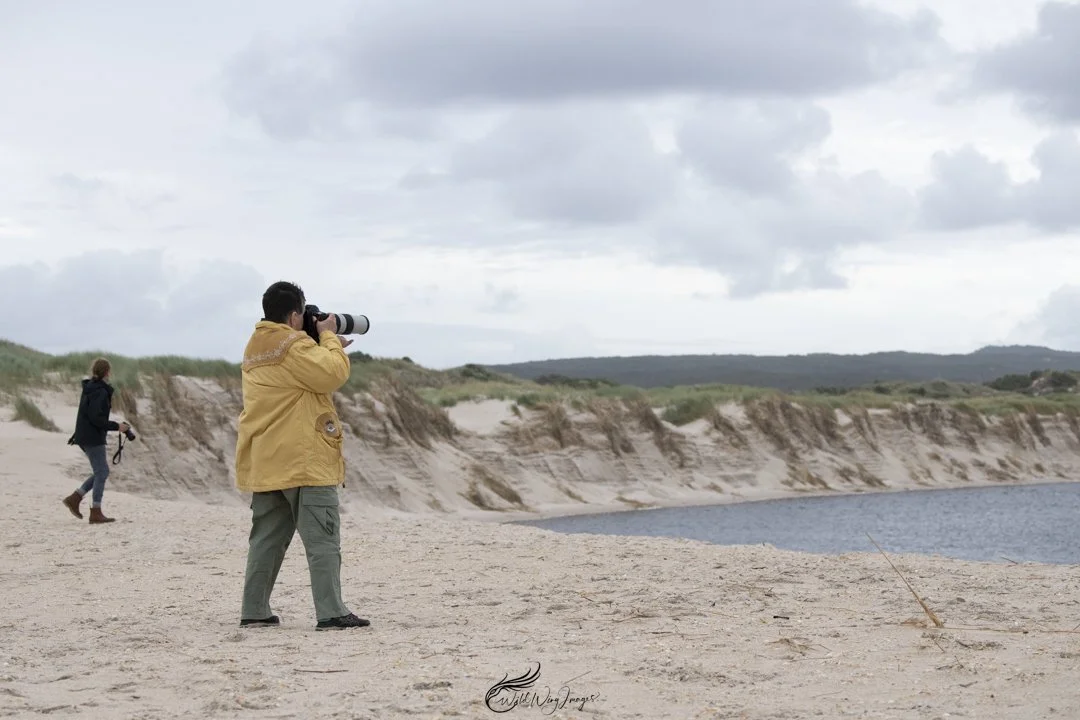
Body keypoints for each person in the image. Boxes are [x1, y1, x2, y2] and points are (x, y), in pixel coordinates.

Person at [235, 280, 370, 631]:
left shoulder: (255, 346)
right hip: (303, 460)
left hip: (266, 460)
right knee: (322, 539)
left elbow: (299, 377)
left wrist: (322, 343)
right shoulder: (293, 345)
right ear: (296, 315)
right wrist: (328, 338)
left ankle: (255, 610)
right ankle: (331, 612)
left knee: (266, 540)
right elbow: (331, 374)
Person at [62, 358, 131, 524]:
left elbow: (89, 416)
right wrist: (117, 426)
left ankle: (75, 498)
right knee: (102, 472)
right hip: (92, 436)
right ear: (107, 372)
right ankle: (95, 511)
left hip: (84, 435)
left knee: (101, 471)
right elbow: (96, 418)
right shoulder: (100, 391)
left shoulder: (90, 388)